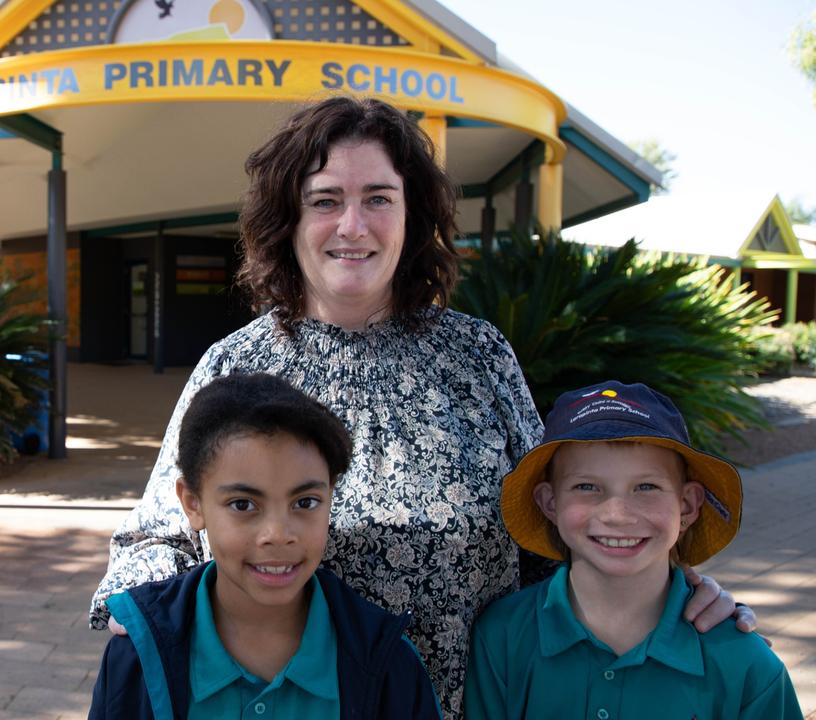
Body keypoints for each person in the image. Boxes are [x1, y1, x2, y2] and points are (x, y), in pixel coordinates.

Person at [90, 95, 748, 718]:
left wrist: (670, 592)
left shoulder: (479, 358)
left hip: (478, 700)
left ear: (413, 218)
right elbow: (158, 536)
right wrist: (141, 627)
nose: (353, 225)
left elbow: (561, 527)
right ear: (288, 222)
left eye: (378, 198)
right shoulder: (233, 366)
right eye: (325, 200)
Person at [89, 373, 441, 719]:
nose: (277, 533)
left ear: (331, 494)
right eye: (243, 504)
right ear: (193, 503)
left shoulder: (389, 665)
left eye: (305, 502)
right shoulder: (137, 658)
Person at [465, 380, 801, 719]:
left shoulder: (746, 665)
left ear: (687, 505)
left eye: (646, 487)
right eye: (586, 486)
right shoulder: (502, 639)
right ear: (550, 503)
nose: (617, 515)